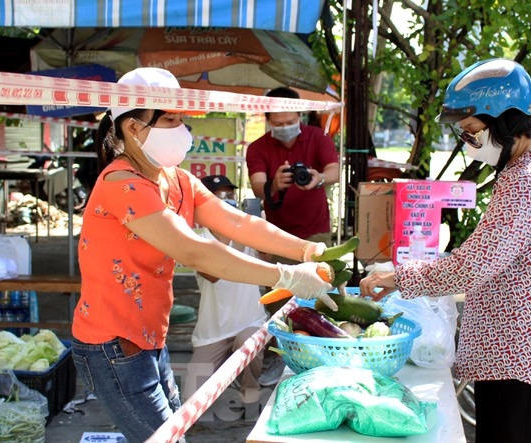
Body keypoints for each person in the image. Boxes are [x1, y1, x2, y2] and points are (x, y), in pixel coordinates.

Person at [71, 67, 333, 443]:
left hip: (148, 339)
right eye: (171, 120)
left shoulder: (176, 179)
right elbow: (197, 252)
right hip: (113, 344)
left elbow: (239, 223)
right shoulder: (121, 182)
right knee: (168, 438)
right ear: (132, 128)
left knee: (172, 432)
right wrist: (285, 276)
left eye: (182, 119)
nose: (181, 129)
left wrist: (305, 248)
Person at [360, 59, 531, 442]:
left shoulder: (530, 182)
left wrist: (400, 278)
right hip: (512, 358)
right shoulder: (522, 175)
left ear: (508, 122)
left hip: (523, 364)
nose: (470, 144)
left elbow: (474, 265)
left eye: (473, 132)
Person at [245, 86, 340, 386]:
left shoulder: (317, 137)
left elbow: (335, 171)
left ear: (299, 115)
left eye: (290, 121)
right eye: (279, 122)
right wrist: (274, 183)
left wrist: (318, 178)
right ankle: (278, 357)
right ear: (268, 118)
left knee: (317, 297)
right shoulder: (258, 148)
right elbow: (257, 187)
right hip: (276, 236)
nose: (286, 127)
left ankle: (320, 353)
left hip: (315, 233)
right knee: (277, 301)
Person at [185, 174, 267, 406]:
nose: (225, 200)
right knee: (191, 401)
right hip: (214, 331)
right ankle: (227, 375)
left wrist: (262, 229)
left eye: (229, 195)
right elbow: (216, 272)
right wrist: (230, 233)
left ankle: (249, 391)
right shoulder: (195, 239)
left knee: (249, 341)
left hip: (250, 322)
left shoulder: (248, 230)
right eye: (218, 196)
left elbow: (268, 260)